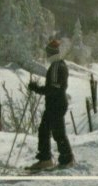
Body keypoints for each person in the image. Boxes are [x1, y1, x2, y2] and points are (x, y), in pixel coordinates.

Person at [26, 39, 75, 170]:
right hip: (57, 103)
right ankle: (47, 158)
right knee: (45, 130)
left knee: (57, 132)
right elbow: (55, 87)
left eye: (47, 53)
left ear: (51, 54)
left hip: (56, 104)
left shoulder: (55, 66)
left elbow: (53, 89)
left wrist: (36, 89)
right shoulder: (60, 64)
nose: (46, 56)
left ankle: (65, 158)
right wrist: (39, 89)